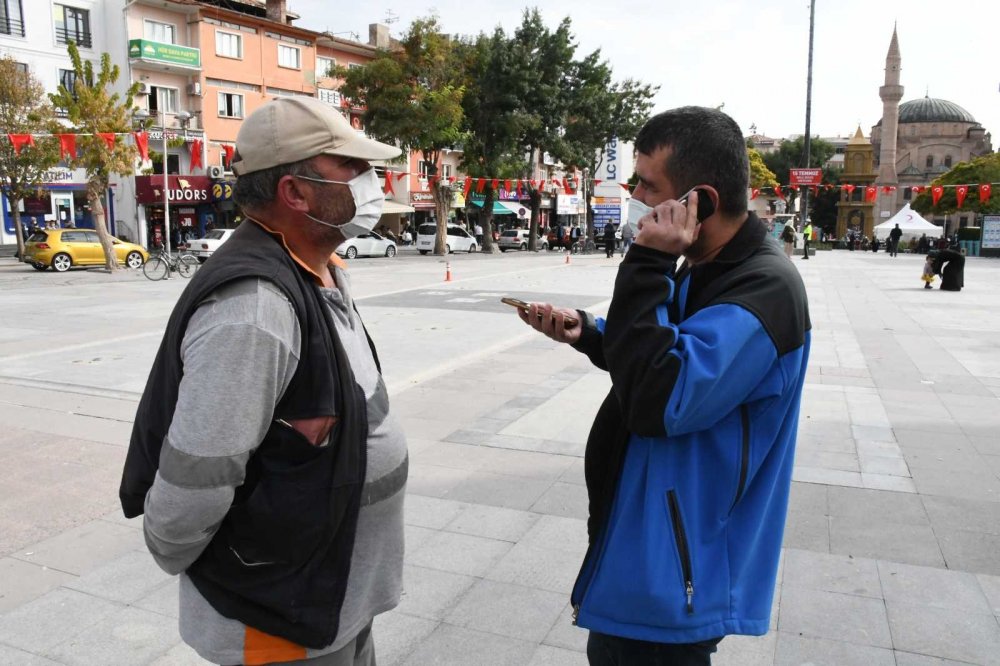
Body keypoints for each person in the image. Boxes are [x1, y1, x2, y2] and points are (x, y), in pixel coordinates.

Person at [513, 106, 810, 665]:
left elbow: (661, 398)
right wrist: (593, 335)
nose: (638, 200)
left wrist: (647, 262)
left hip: (680, 563)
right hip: (651, 541)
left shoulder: (761, 290)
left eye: (649, 187)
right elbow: (669, 354)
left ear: (701, 201)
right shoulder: (708, 262)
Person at [119, 97, 407, 666]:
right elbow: (197, 471)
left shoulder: (318, 267)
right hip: (277, 615)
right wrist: (190, 553)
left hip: (331, 596)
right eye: (349, 167)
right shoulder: (253, 307)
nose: (370, 181)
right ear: (295, 192)